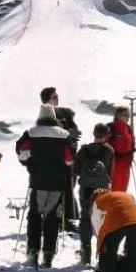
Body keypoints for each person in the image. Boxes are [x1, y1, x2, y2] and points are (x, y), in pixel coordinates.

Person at [16, 105, 73, 268]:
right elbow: (69, 160)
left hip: (38, 181)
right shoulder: (64, 135)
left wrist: (30, 164)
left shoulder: (32, 133)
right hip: (57, 183)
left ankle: (33, 251)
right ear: (54, 117)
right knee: (52, 218)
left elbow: (23, 155)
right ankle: (48, 254)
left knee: (34, 215)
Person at [40, 86, 81, 232]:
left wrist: (72, 136)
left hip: (68, 158)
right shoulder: (44, 117)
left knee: (68, 189)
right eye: (54, 97)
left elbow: (75, 133)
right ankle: (55, 219)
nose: (57, 99)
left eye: (57, 96)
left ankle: (66, 219)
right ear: (47, 100)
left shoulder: (65, 114)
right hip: (53, 161)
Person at [75, 123, 116, 265]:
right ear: (106, 136)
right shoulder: (109, 151)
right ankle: (103, 255)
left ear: (94, 133)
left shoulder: (83, 150)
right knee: (101, 222)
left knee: (85, 219)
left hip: (86, 190)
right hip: (102, 192)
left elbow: (75, 170)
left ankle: (86, 253)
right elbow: (110, 173)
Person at [109, 106, 136, 193]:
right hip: (115, 165)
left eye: (128, 115)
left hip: (126, 165)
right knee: (115, 191)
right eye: (124, 115)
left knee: (122, 191)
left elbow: (132, 143)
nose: (127, 117)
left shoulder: (128, 128)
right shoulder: (111, 127)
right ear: (117, 116)